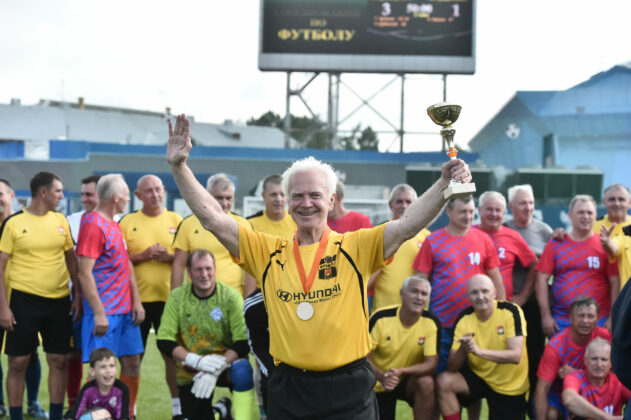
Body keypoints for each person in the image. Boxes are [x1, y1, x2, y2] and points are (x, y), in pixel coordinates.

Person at [166, 113, 471, 418]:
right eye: (297, 196)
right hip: (290, 388)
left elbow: (407, 224)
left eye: (315, 195)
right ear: (288, 202)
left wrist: (444, 184)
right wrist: (180, 167)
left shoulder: (356, 247)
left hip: (349, 388)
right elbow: (213, 219)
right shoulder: (266, 252)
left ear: (331, 199)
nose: (306, 203)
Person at [0, 172, 79, 420]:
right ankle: (16, 416)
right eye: (58, 191)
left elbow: (71, 259)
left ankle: (55, 416)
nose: (61, 196)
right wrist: (3, 307)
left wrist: (77, 294)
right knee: (18, 363)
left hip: (58, 302)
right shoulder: (13, 223)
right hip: (22, 301)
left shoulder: (61, 220)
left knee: (59, 360)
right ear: (43, 192)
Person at [156, 249, 256, 420]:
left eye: (208, 268)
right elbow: (164, 340)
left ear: (215, 270)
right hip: (192, 369)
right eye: (198, 269)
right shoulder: (177, 298)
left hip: (226, 365)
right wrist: (197, 361)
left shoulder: (231, 297)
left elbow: (243, 341)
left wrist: (218, 365)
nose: (204, 274)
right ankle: (220, 412)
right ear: (189, 272)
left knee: (243, 371)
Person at [76, 174, 144, 417]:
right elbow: (84, 272)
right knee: (101, 370)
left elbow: (125, 264)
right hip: (106, 312)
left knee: (132, 362)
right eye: (126, 194)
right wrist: (98, 313)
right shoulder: (93, 224)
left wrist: (136, 300)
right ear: (116, 197)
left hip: (125, 312)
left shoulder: (114, 224)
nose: (129, 198)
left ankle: (127, 413)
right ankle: (95, 415)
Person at [413, 195, 505, 374]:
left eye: (471, 212)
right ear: (449, 212)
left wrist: (501, 312)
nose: (468, 216)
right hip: (442, 321)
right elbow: (420, 282)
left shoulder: (483, 239)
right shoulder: (433, 240)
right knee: (440, 374)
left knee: (475, 377)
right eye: (463, 212)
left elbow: (496, 279)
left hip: (476, 321)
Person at [118, 175, 183, 420]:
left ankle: (178, 409)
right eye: (148, 191)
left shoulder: (176, 221)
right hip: (136, 302)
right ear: (138, 196)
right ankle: (129, 410)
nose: (154, 195)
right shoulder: (127, 222)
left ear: (164, 190)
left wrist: (169, 257)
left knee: (172, 357)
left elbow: (187, 258)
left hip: (169, 302)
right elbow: (118, 260)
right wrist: (143, 255)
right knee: (133, 358)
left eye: (158, 189)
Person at [436, 274, 529, 420]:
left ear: (494, 293)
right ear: (468, 296)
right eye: (474, 292)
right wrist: (462, 350)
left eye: (485, 291)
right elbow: (452, 367)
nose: (480, 297)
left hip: (509, 385)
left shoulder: (511, 311)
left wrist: (478, 351)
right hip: (479, 376)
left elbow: (515, 356)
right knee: (444, 381)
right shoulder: (464, 319)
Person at [244, 173, 296, 416]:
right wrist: (249, 302)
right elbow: (250, 267)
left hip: (293, 302)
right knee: (264, 365)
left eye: (282, 194)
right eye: (273, 194)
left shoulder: (297, 221)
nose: (278, 199)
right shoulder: (252, 224)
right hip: (262, 302)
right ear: (263, 196)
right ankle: (266, 411)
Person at [536, 194, 619, 337]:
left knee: (598, 353)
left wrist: (612, 317)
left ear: (595, 216)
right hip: (561, 320)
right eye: (581, 212)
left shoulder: (605, 244)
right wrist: (545, 316)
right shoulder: (556, 243)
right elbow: (541, 279)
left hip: (599, 320)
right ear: (570, 215)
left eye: (589, 213)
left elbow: (615, 282)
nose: (585, 216)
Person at [505, 183, 552, 416]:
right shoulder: (503, 228)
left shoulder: (545, 231)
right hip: (506, 306)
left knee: (534, 358)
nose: (528, 207)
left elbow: (551, 264)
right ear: (511, 205)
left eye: (531, 202)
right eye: (523, 203)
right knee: (509, 360)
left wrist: (525, 296)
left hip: (533, 305)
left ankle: (534, 410)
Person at [368, 276, 440, 420]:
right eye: (414, 291)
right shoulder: (381, 317)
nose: (419, 297)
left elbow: (431, 364)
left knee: (426, 382)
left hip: (405, 381)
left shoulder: (431, 322)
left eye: (424, 294)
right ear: (402, 293)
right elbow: (362, 357)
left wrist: (401, 372)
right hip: (377, 381)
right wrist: (382, 376)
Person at [171, 173, 250, 296]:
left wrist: (248, 301)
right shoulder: (188, 224)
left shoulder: (243, 225)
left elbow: (251, 267)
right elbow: (179, 265)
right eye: (219, 198)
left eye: (228, 198)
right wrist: (175, 298)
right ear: (207, 196)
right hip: (197, 299)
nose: (224, 203)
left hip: (233, 299)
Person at [535, 296, 611, 420]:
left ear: (597, 318)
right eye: (581, 316)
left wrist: (577, 374)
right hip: (562, 394)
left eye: (590, 316)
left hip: (599, 390)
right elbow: (542, 387)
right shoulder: (556, 346)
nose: (585, 321)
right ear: (570, 318)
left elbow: (617, 371)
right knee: (551, 415)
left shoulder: (605, 337)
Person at [65, 174, 101, 411]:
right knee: (73, 354)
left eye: (90, 194)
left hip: (106, 301)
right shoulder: (71, 222)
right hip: (77, 298)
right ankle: (73, 407)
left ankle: (97, 405)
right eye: (83, 194)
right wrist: (77, 294)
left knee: (101, 356)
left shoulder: (117, 222)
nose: (85, 199)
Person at [370, 184, 431, 313]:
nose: (404, 205)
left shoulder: (427, 238)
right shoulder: (379, 233)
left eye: (408, 202)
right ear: (390, 205)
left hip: (416, 313)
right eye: (399, 201)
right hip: (383, 311)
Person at [475, 191, 537, 301]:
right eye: (489, 209)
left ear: (504, 212)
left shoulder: (513, 236)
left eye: (498, 210)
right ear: (479, 210)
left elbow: (535, 265)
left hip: (503, 304)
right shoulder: (468, 234)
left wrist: (523, 296)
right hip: (471, 302)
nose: (494, 214)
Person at [562, 338, 630, 419]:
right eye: (594, 359)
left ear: (611, 363)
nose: (599, 364)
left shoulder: (618, 382)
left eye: (604, 360)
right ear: (585, 360)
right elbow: (569, 399)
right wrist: (607, 417)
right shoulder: (574, 378)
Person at [65, 348, 130, 420]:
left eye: (111, 366)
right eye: (103, 367)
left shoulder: (122, 389)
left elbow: (124, 417)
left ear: (116, 368)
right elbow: (74, 415)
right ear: (92, 371)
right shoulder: (87, 389)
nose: (108, 371)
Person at [594, 184, 631, 290]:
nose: (617, 204)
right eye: (612, 199)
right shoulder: (592, 226)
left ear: (629, 202)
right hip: (600, 290)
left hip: (626, 292)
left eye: (621, 199)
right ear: (604, 202)